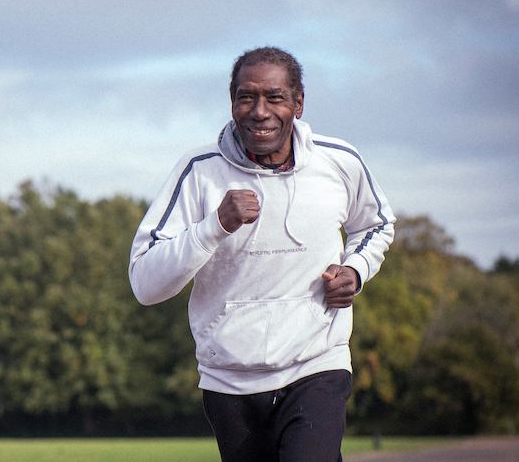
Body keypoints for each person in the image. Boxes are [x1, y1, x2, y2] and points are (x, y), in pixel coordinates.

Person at [128, 47, 394, 462]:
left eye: (274, 97)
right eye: (246, 97)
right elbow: (146, 283)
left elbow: (376, 224)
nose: (259, 111)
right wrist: (214, 225)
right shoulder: (199, 171)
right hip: (230, 381)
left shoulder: (339, 160)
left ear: (298, 104)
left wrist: (355, 270)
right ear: (232, 102)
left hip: (316, 363)